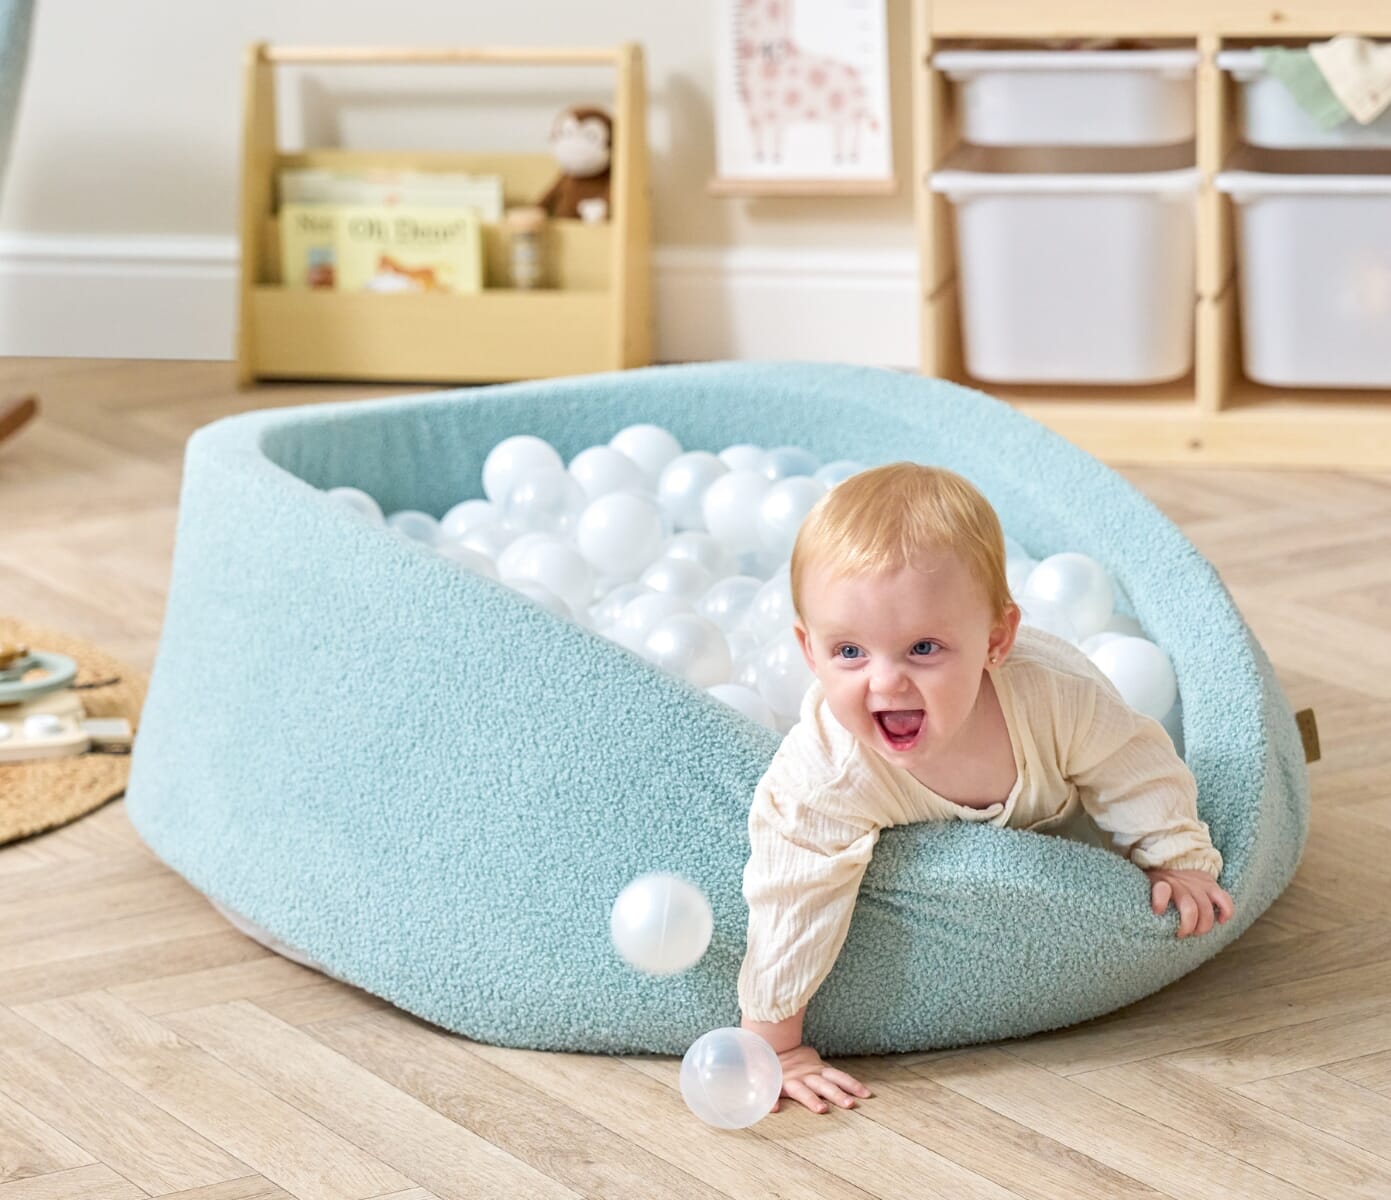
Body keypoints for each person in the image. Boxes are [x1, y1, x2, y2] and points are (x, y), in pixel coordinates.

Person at [738, 462, 1234, 1116]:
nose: (884, 684)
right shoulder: (828, 768)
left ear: (996, 640)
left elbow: (1130, 760)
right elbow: (792, 884)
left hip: (1057, 800)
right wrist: (775, 1042)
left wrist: (1176, 855)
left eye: (922, 648)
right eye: (849, 653)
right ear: (808, 652)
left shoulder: (1057, 698)